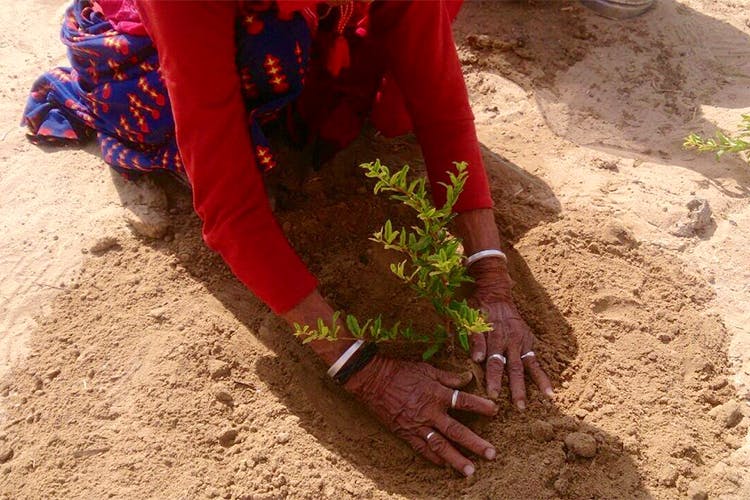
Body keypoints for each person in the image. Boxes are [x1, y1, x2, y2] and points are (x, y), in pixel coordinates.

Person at [22, 0, 553, 477]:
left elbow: (439, 102)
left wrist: (492, 276)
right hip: (181, 34)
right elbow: (229, 208)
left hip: (299, 23)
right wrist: (363, 371)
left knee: (393, 104)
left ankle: (290, 81)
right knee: (189, 114)